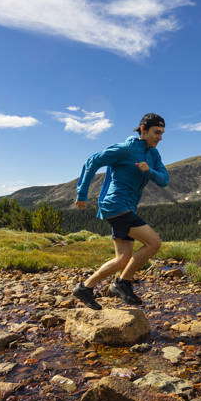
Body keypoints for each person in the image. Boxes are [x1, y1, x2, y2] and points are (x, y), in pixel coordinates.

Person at [72, 113, 169, 309]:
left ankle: (85, 288)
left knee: (122, 259)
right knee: (154, 242)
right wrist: (82, 194)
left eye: (162, 133)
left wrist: (148, 170)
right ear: (143, 129)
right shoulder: (125, 149)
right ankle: (122, 283)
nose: (160, 137)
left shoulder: (153, 154)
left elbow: (164, 179)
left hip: (127, 207)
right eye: (156, 132)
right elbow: (92, 162)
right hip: (115, 205)